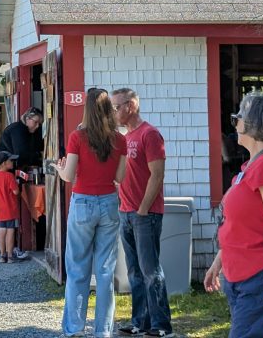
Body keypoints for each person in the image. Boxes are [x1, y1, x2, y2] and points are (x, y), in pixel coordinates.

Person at [204, 93, 263, 338]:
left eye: (238, 117)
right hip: (240, 273)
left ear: (254, 123)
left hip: (260, 272)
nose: (234, 123)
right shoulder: (250, 166)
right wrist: (218, 262)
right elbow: (240, 223)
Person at [52, 88, 127, 338]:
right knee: (105, 271)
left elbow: (69, 176)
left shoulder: (78, 137)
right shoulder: (120, 139)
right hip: (108, 202)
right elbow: (119, 178)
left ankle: (74, 328)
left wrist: (59, 168)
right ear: (109, 110)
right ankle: (103, 330)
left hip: (83, 201)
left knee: (77, 268)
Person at [109, 88, 176, 338]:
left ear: (131, 105)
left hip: (145, 214)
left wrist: (144, 208)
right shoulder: (124, 137)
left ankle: (161, 325)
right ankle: (140, 322)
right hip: (126, 212)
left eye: (116, 107)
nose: (114, 112)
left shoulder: (150, 134)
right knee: (134, 272)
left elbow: (157, 175)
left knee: (150, 270)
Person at [0, 151, 21, 264]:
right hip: (10, 209)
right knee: (11, 231)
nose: (12, 162)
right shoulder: (9, 176)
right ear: (4, 163)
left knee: (2, 230)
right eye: (10, 160)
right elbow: (16, 191)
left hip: (0, 209)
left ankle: (2, 256)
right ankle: (10, 256)